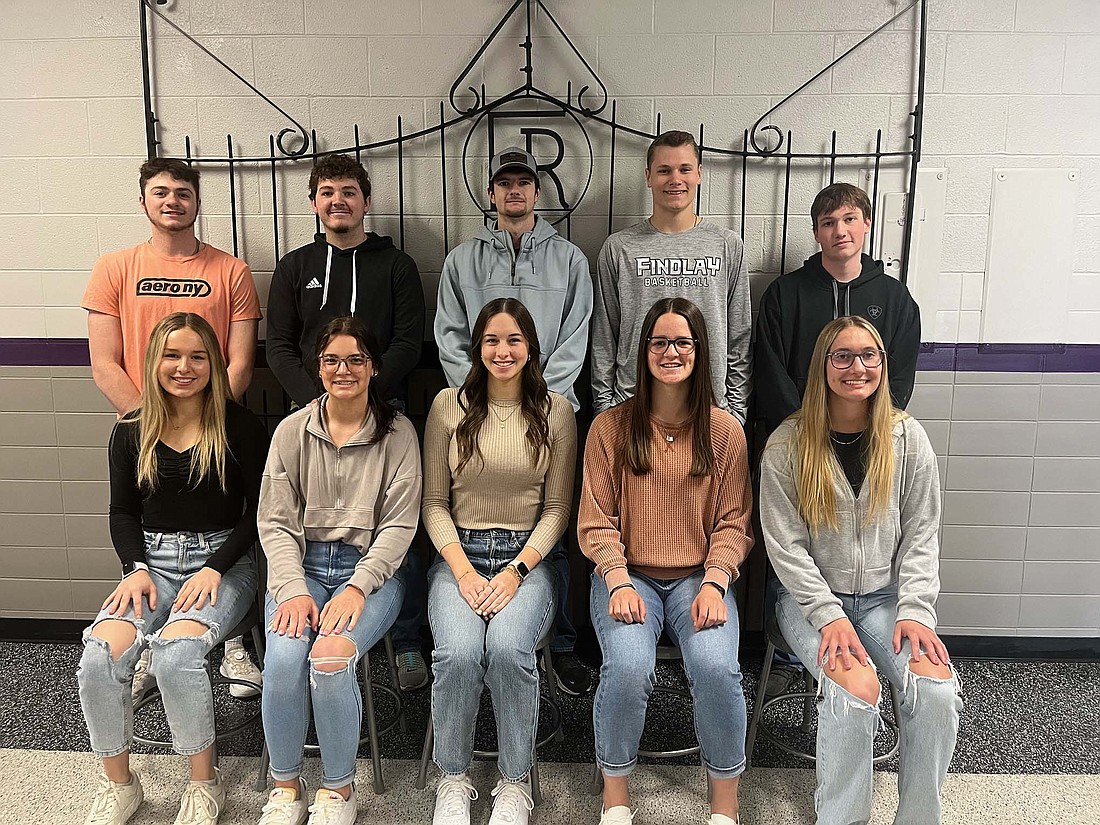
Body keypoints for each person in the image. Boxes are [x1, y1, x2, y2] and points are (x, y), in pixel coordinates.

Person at [759, 316, 961, 825]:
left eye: (869, 355)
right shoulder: (787, 445)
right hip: (808, 603)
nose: (857, 367)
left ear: (883, 364)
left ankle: (919, 818)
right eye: (842, 356)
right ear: (822, 366)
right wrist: (828, 616)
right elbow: (786, 549)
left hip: (884, 598)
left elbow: (922, 533)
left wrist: (916, 611)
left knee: (936, 691)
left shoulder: (908, 439)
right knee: (855, 689)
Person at [82, 157, 264, 701]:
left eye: (183, 193)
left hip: (214, 429)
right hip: (144, 425)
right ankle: (145, 648)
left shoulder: (230, 271)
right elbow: (104, 363)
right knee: (149, 529)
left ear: (196, 202)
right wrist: (155, 420)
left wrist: (204, 418)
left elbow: (238, 362)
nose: (172, 201)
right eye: (160, 192)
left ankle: (228, 643)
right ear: (143, 202)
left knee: (223, 523)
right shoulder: (113, 269)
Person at [76, 312, 268, 825]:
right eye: (173, 355)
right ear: (154, 361)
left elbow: (262, 514)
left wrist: (217, 566)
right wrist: (132, 566)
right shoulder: (131, 431)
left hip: (225, 563)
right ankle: (121, 785)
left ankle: (205, 784)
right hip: (152, 566)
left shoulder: (241, 426)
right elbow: (122, 512)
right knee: (99, 656)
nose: (185, 367)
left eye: (198, 356)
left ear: (214, 363)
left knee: (176, 653)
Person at [580, 298, 753, 825]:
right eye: (660, 342)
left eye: (683, 342)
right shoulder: (611, 427)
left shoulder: (724, 432)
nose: (671, 351)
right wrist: (616, 580)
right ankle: (615, 800)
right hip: (626, 576)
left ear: (701, 352)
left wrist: (716, 582)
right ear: (644, 351)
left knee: (718, 667)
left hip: (699, 579)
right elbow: (595, 521)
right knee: (630, 665)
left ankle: (724, 808)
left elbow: (734, 522)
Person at [264, 153, 429, 691]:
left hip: (386, 416)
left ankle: (405, 643)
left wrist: (362, 391)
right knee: (299, 522)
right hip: (309, 416)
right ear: (314, 203)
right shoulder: (294, 267)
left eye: (349, 191)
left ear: (366, 201)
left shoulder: (396, 266)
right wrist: (326, 394)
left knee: (396, 527)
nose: (339, 200)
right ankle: (299, 627)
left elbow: (409, 341)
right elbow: (280, 347)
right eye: (328, 191)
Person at [434, 145, 593, 696]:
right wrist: (481, 391)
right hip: (479, 409)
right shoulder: (462, 260)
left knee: (554, 521)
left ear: (537, 191)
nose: (514, 191)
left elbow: (576, 336)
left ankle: (563, 644)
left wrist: (543, 397)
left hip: (548, 410)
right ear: (492, 192)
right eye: (504, 183)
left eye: (523, 182)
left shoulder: (570, 259)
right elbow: (451, 333)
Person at [753, 182, 921, 700]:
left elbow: (898, 377)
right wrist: (806, 438)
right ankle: (787, 651)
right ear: (816, 232)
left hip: (866, 445)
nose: (839, 231)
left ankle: (863, 644)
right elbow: (771, 369)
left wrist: (864, 425)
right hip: (801, 446)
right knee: (792, 541)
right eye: (828, 223)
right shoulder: (787, 293)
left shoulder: (892, 297)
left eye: (849, 219)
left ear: (866, 224)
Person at [257, 316, 421, 825]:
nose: (343, 369)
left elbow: (398, 528)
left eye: (355, 359)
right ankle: (286, 788)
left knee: (328, 661)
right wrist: (289, 588)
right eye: (332, 360)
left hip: (371, 573)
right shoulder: (291, 431)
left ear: (373, 368)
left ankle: (337, 791)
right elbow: (275, 522)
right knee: (284, 661)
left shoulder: (397, 434)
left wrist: (356, 587)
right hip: (300, 568)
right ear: (318, 367)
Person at [423, 298, 576, 825]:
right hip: (458, 554)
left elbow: (557, 510)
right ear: (477, 348)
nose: (502, 351)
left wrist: (515, 572)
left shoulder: (556, 412)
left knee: (510, 649)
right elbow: (434, 504)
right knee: (460, 653)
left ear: (530, 348)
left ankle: (514, 783)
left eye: (513, 340)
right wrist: (464, 571)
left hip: (528, 559)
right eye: (492, 340)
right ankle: (454, 778)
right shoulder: (449, 406)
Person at [591, 131, 752, 423]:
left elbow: (739, 335)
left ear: (699, 174)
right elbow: (605, 336)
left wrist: (735, 411)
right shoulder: (619, 248)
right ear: (648, 176)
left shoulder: (727, 245)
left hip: (710, 409)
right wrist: (606, 408)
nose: (675, 179)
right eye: (664, 170)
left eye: (684, 169)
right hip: (632, 406)